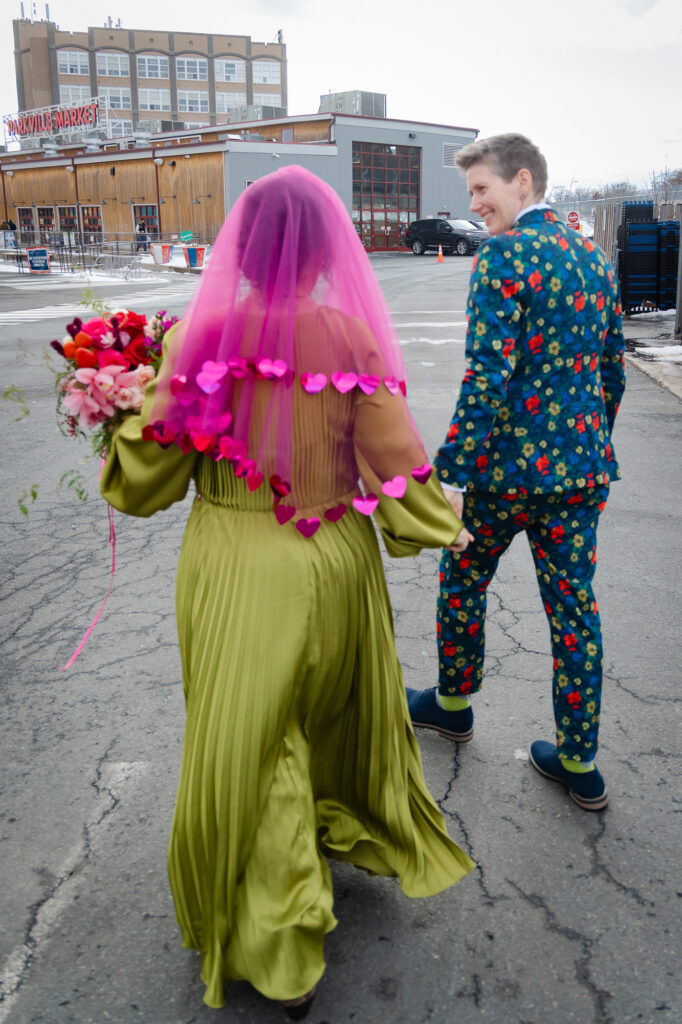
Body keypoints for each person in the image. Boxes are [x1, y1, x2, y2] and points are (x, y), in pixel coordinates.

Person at [101, 165, 475, 1016]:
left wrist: (117, 416)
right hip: (337, 557)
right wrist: (435, 522)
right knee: (320, 713)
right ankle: (326, 839)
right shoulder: (351, 337)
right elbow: (395, 464)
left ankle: (283, 945)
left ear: (243, 244)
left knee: (259, 740)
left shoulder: (199, 337)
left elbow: (146, 482)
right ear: (323, 252)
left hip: (236, 565)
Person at [406, 134, 625, 812]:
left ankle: (451, 704)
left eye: (482, 190)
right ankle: (580, 760)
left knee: (464, 580)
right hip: (580, 473)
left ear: (522, 182)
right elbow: (612, 369)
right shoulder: (591, 253)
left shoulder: (504, 255)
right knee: (573, 612)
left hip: (503, 478)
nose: (474, 206)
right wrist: (591, 446)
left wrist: (449, 472)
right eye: (471, 193)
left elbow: (487, 376)